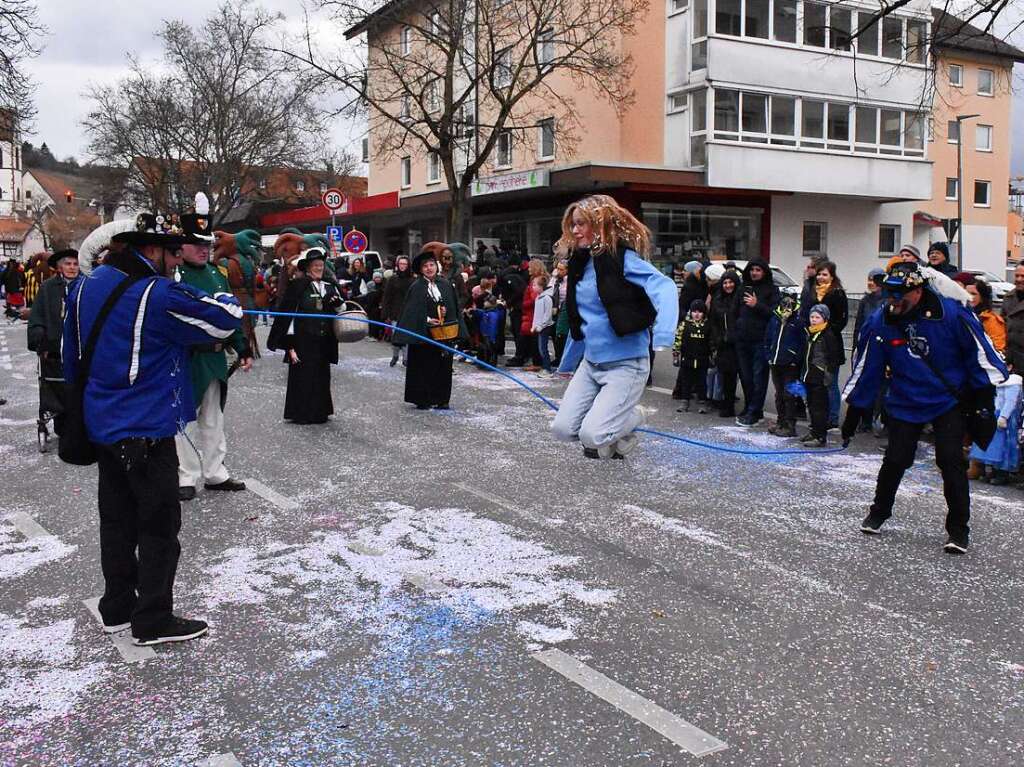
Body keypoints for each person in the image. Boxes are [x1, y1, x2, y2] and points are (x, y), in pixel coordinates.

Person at [63, 212, 243, 646]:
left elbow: (70, 358)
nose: (177, 259)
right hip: (145, 425)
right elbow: (222, 320)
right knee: (159, 527)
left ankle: (117, 607)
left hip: (102, 425)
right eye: (171, 251)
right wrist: (231, 302)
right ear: (149, 250)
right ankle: (153, 619)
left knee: (117, 522)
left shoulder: (84, 287)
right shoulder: (155, 293)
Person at [842, 262, 1008, 554]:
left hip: (947, 400)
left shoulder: (952, 314)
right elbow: (868, 366)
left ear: (918, 291)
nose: (892, 301)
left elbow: (980, 356)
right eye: (888, 294)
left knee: (950, 461)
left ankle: (958, 530)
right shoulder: (883, 319)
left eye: (899, 295)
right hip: (906, 399)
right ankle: (879, 512)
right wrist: (854, 411)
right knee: (896, 459)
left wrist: (983, 402)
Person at [551, 194, 678, 459]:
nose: (575, 231)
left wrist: (664, 334)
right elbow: (582, 321)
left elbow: (664, 286)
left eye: (582, 224)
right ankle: (617, 430)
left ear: (600, 224)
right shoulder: (579, 264)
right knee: (562, 430)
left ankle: (634, 417)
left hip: (626, 364)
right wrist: (565, 364)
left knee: (592, 437)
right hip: (591, 364)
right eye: (572, 225)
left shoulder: (621, 259)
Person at [174, 213, 253, 501]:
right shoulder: (174, 276)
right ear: (181, 247)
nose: (203, 249)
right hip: (186, 358)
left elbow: (229, 315)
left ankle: (215, 472)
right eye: (196, 244)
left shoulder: (216, 275)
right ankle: (186, 476)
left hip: (215, 359)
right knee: (183, 419)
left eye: (206, 243)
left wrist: (242, 347)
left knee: (213, 418)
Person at [267, 248, 343, 425]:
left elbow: (342, 313)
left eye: (321, 265)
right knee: (304, 376)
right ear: (308, 267)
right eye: (315, 265)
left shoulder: (330, 286)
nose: (319, 268)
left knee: (321, 376)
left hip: (323, 340)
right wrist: (289, 346)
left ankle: (320, 412)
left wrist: (339, 305)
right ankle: (302, 413)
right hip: (302, 341)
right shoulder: (298, 286)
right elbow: (288, 318)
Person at [394, 246, 466, 409]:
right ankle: (423, 398)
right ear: (421, 270)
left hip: (444, 334)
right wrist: (426, 320)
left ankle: (441, 398)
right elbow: (411, 311)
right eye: (425, 266)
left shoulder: (446, 284)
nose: (429, 268)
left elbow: (454, 307)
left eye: (431, 265)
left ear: (436, 266)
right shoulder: (417, 287)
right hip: (424, 335)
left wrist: (448, 316)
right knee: (423, 366)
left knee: (443, 367)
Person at [27, 249, 81, 437]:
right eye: (68, 264)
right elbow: (37, 315)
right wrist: (38, 339)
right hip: (54, 348)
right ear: (59, 267)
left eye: (75, 264)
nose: (72, 268)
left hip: (79, 348)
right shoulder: (48, 287)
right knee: (56, 388)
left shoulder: (86, 285)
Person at [735, 258, 780, 426]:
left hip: (761, 341)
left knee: (758, 378)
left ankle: (755, 411)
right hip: (742, 340)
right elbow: (735, 311)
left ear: (764, 272)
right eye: (752, 269)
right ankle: (750, 407)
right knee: (746, 377)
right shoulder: (743, 288)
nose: (754, 273)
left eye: (758, 270)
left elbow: (775, 313)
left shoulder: (772, 290)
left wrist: (757, 304)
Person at [811, 261, 848, 427]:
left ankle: (832, 419)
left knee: (830, 383)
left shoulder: (837, 293)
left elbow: (842, 320)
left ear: (832, 276)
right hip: (814, 342)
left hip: (831, 344)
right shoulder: (813, 293)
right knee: (817, 383)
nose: (820, 277)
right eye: (819, 274)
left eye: (824, 274)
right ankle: (819, 417)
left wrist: (826, 331)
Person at [967, 373, 1021, 485]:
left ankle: (1002, 474)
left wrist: (1003, 417)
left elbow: (1010, 401)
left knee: (1004, 446)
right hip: (994, 414)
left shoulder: (1013, 382)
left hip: (1004, 417)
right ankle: (990, 471)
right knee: (992, 446)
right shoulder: (998, 379)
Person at [800, 304, 842, 447]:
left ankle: (820, 436)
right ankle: (813, 431)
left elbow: (833, 357)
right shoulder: (809, 332)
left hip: (820, 375)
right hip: (809, 374)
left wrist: (827, 374)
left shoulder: (827, 334)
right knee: (810, 404)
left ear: (824, 319)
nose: (814, 320)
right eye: (812, 317)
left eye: (817, 317)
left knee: (819, 407)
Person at [765, 295, 804, 437]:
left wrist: (795, 359)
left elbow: (802, 344)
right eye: (784, 305)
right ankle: (781, 422)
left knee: (789, 395)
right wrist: (769, 356)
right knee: (779, 394)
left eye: (790, 306)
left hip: (791, 364)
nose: (787, 308)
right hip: (775, 362)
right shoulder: (775, 319)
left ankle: (790, 425)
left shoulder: (798, 322)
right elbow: (768, 338)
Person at [709, 269, 742, 417]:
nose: (728, 285)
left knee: (744, 376)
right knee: (726, 375)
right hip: (723, 343)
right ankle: (727, 404)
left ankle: (751, 409)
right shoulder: (717, 299)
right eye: (725, 282)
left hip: (738, 342)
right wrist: (717, 339)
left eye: (730, 282)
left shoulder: (740, 298)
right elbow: (713, 321)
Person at [672, 299, 711, 413]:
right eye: (694, 311)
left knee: (702, 382)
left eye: (700, 312)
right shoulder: (685, 325)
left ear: (703, 313)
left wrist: (713, 356)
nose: (697, 314)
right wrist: (676, 354)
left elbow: (711, 342)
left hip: (702, 359)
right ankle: (685, 401)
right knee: (686, 381)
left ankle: (702, 402)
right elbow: (678, 340)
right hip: (687, 358)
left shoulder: (707, 326)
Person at [953, 273, 1006, 353]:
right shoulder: (959, 315)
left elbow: (998, 349)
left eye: (973, 294)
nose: (969, 297)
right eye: (966, 293)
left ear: (982, 298)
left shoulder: (992, 321)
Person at [382, 255, 415, 366]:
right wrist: (386, 313)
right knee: (396, 336)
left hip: (408, 313)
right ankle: (395, 356)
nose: (403, 266)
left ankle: (406, 358)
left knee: (406, 336)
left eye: (405, 264)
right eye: (401, 264)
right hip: (395, 312)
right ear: (397, 265)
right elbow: (387, 296)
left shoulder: (413, 280)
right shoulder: (392, 279)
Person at [852, 268, 886, 352]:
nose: (871, 283)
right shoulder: (864, 301)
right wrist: (855, 349)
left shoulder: (888, 301)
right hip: (866, 342)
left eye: (875, 280)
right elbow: (858, 326)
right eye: (869, 280)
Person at [531, 274, 556, 374]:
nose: (533, 287)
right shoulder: (538, 298)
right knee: (540, 348)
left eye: (534, 285)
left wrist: (541, 326)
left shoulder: (547, 298)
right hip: (539, 327)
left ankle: (547, 368)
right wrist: (534, 326)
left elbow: (547, 315)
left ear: (541, 286)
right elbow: (536, 315)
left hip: (545, 327)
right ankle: (544, 366)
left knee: (543, 348)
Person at [1001, 264, 1024, 371]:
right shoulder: (1008, 298)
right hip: (1012, 359)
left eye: (1023, 276)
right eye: (1017, 276)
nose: (1019, 279)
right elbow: (1001, 326)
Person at [676, 261, 708, 325]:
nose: (683, 272)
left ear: (692, 272)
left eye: (685, 270)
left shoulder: (689, 286)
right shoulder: (704, 285)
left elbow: (682, 306)